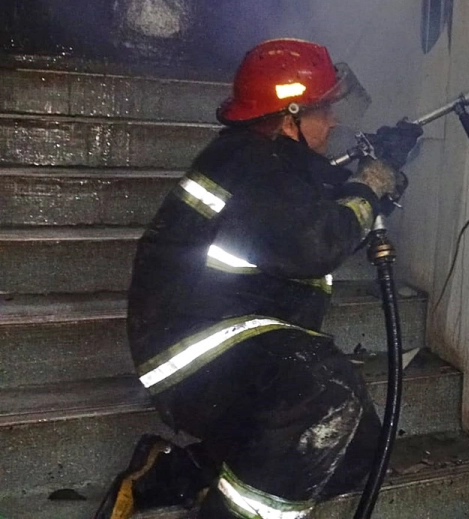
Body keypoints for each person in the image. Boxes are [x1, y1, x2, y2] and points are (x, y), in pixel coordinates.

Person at [95, 38, 422, 519]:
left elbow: (323, 218)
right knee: (323, 393)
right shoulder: (249, 164)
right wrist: (369, 185)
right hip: (194, 347)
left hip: (244, 343)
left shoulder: (274, 165)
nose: (332, 122)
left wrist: (382, 177)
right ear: (290, 115)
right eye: (324, 110)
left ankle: (172, 472)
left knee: (356, 451)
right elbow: (318, 243)